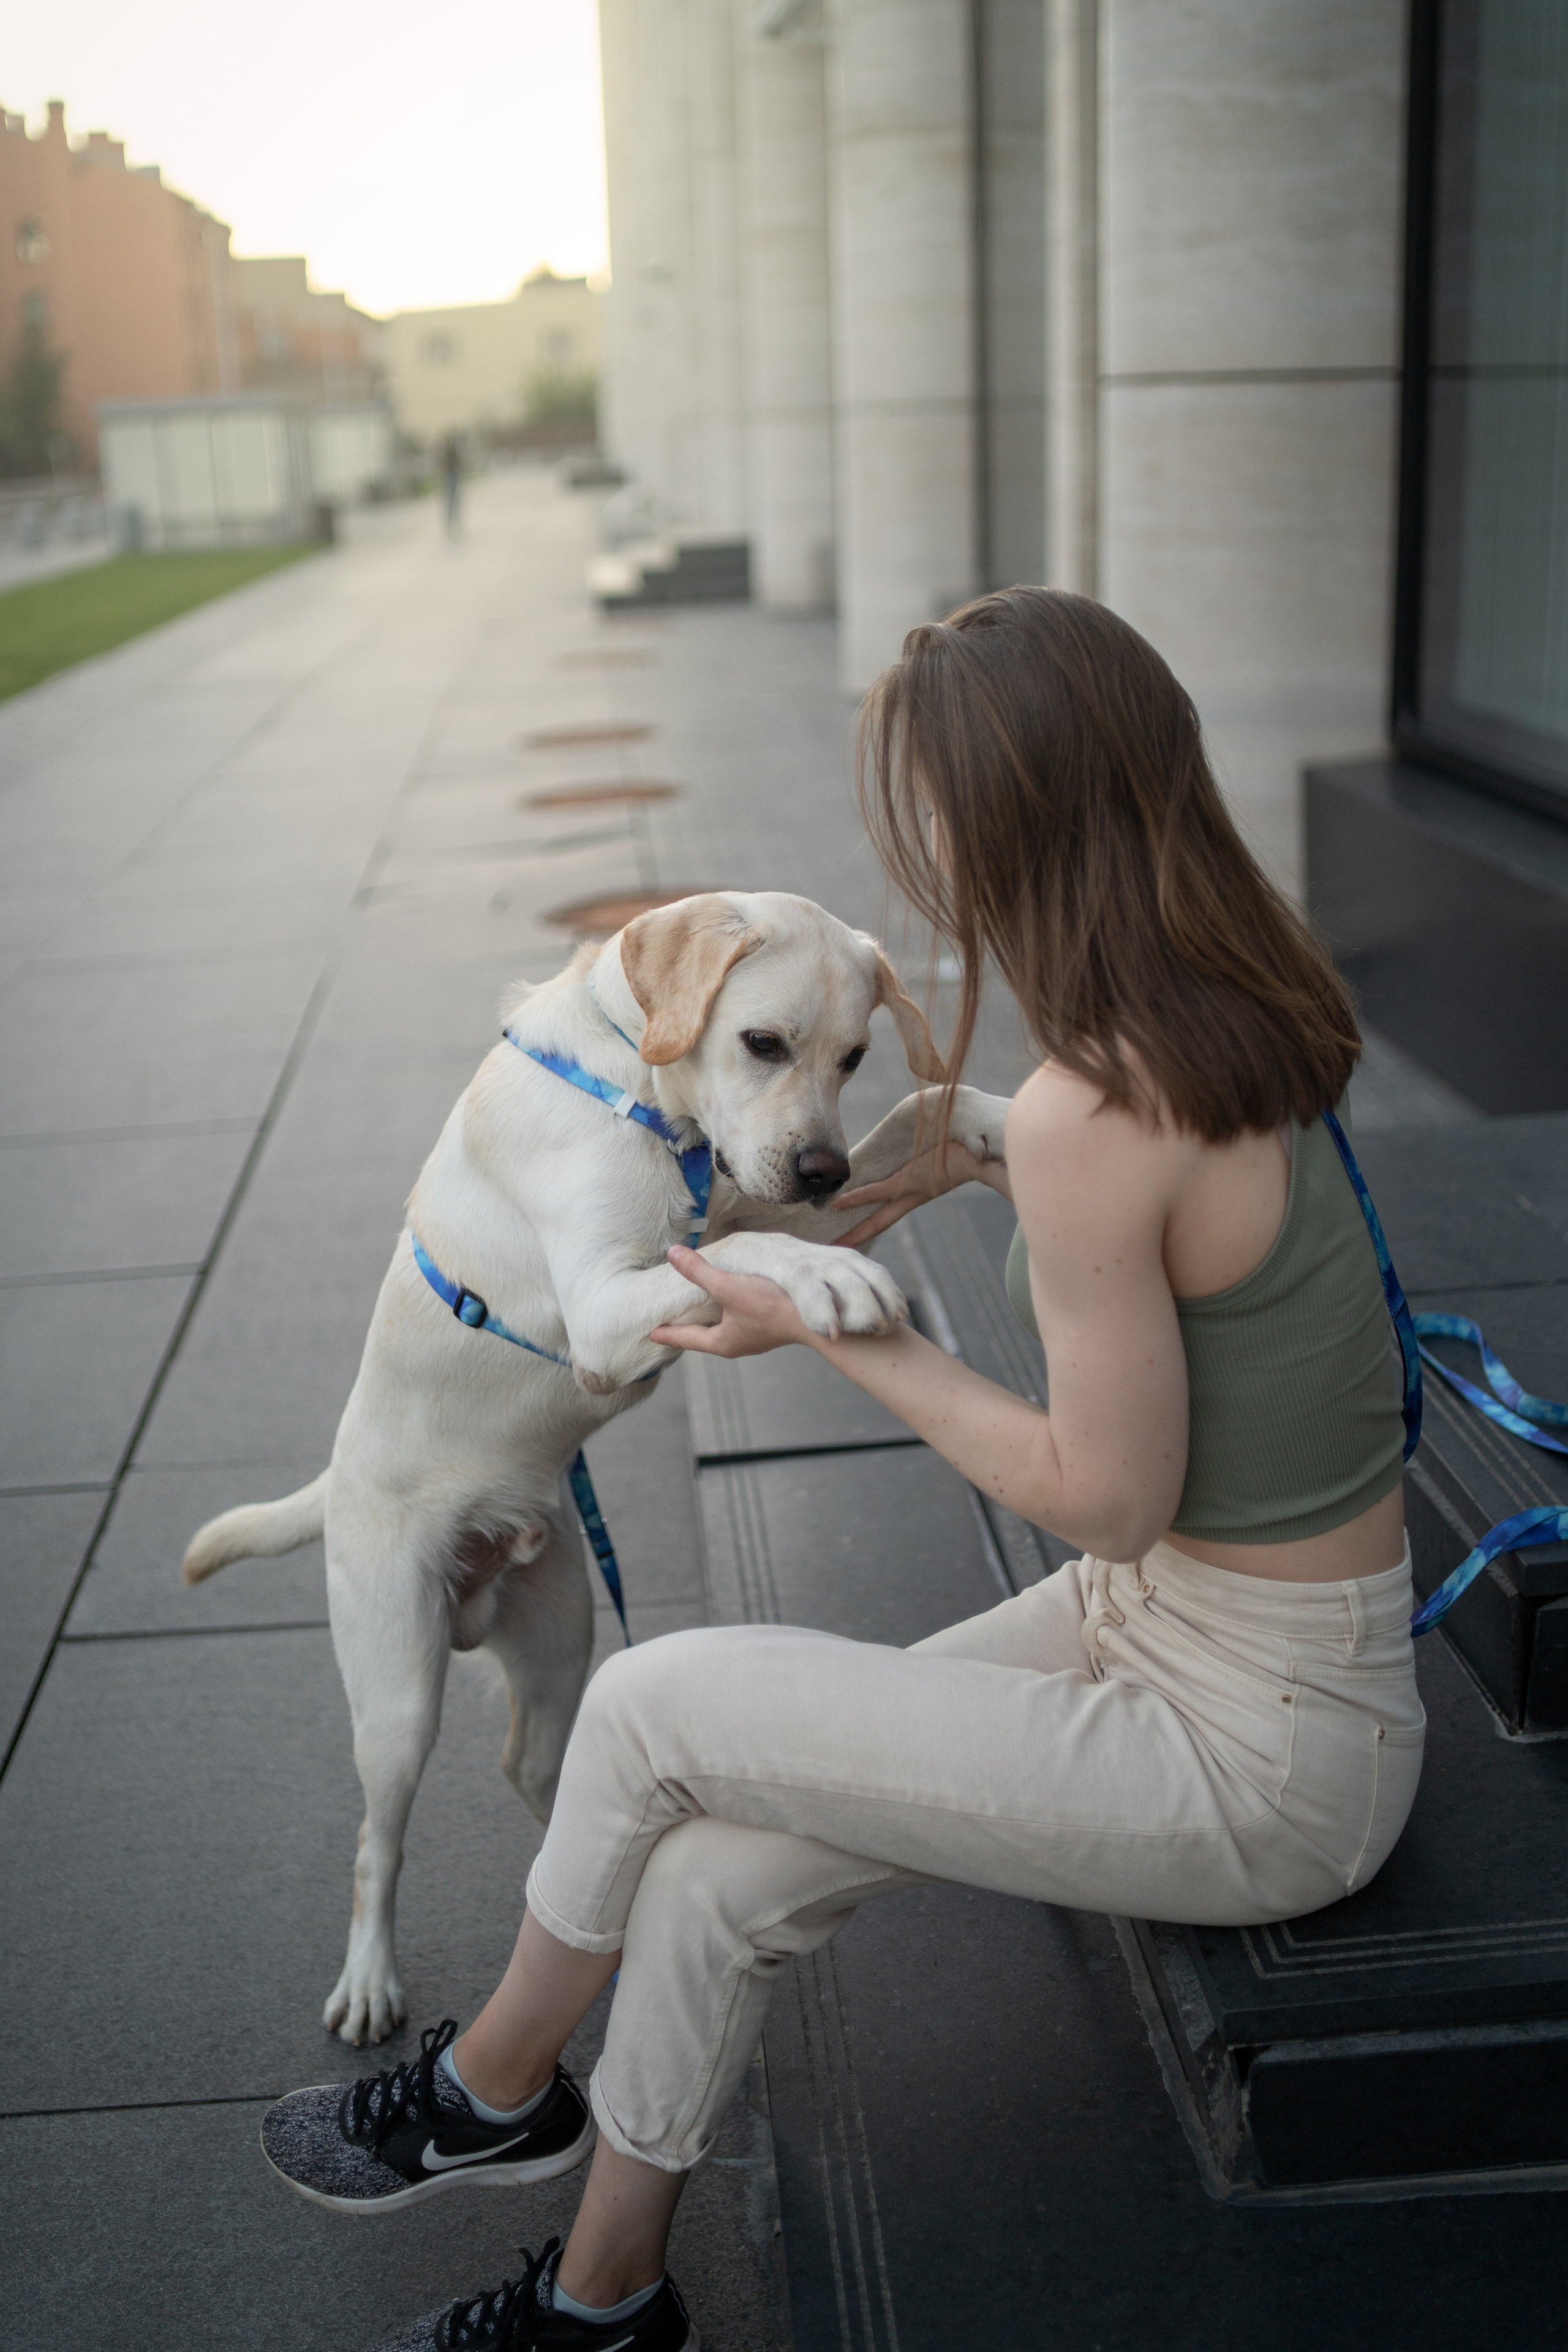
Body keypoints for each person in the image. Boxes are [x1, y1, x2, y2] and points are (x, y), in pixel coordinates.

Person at [262, 589, 1424, 2351]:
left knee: (648, 1714)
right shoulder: (1233, 1009)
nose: (920, 845)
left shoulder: (1099, 1109)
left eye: (929, 807)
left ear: (999, 821)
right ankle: (604, 2303)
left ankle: (493, 2089)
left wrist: (840, 1329)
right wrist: (963, 1142)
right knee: (715, 1882)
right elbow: (1165, 1246)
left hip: (1257, 1745)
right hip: (1226, 1638)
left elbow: (1106, 1490)